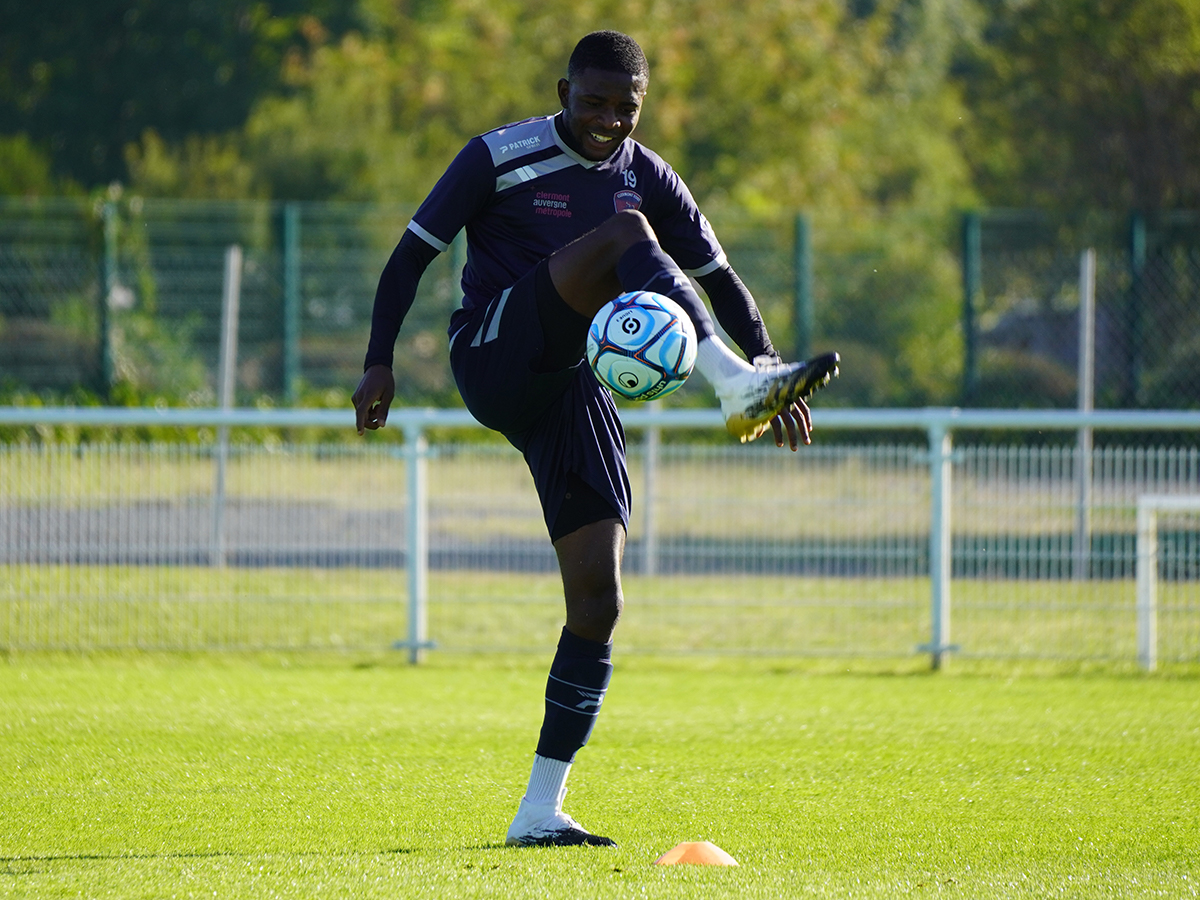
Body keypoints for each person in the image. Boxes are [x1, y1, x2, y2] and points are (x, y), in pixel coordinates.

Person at [352, 30, 838, 848]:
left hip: (571, 385)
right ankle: (729, 389)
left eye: (627, 107)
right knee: (624, 239)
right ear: (562, 91)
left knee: (599, 600)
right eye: (595, 103)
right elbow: (408, 260)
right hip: (494, 352)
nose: (611, 120)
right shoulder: (497, 157)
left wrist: (771, 363)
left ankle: (539, 809)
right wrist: (378, 365)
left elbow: (719, 278)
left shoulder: (649, 174)